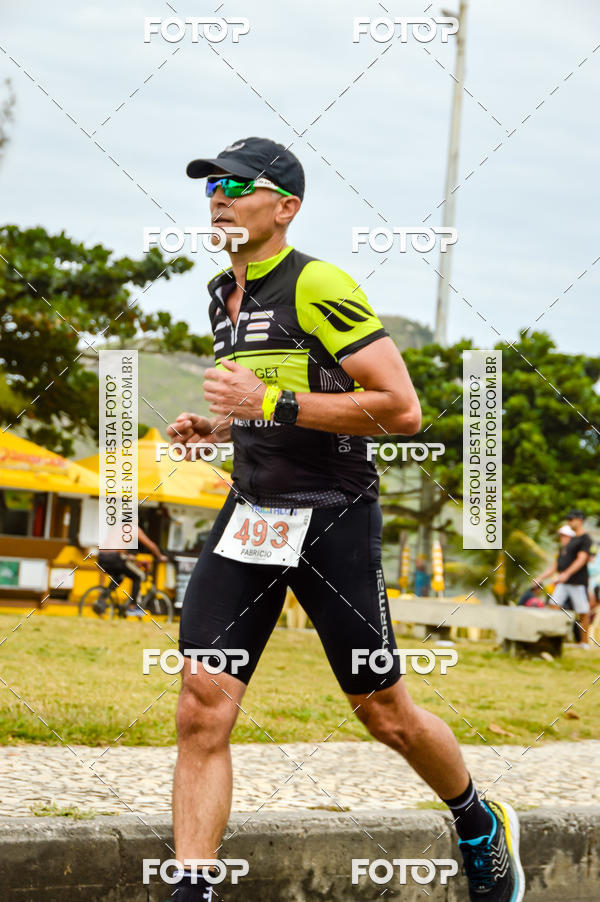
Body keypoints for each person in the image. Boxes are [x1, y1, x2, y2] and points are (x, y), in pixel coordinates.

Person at [165, 137, 525, 902]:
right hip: (252, 515)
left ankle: (476, 820)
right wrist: (224, 428)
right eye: (209, 187)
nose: (217, 197)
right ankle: (193, 887)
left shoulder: (318, 284)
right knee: (202, 703)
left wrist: (269, 405)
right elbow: (281, 405)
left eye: (236, 184)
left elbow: (401, 410)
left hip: (332, 519)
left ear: (285, 207)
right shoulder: (220, 293)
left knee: (385, 713)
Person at [535, 512, 592, 648]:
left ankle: (584, 642)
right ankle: (551, 638)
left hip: (577, 582)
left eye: (572, 519)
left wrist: (567, 573)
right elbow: (555, 566)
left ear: (580, 520)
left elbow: (582, 559)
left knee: (583, 612)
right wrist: (540, 578)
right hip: (563, 583)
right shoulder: (567, 545)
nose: (570, 522)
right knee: (553, 606)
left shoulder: (585, 539)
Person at [96, 525, 167, 616]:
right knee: (138, 576)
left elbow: (116, 546)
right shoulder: (133, 528)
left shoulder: (116, 528)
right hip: (114, 557)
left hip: (101, 557)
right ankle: (132, 607)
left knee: (119, 576)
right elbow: (150, 545)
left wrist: (128, 556)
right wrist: (160, 556)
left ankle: (102, 600)